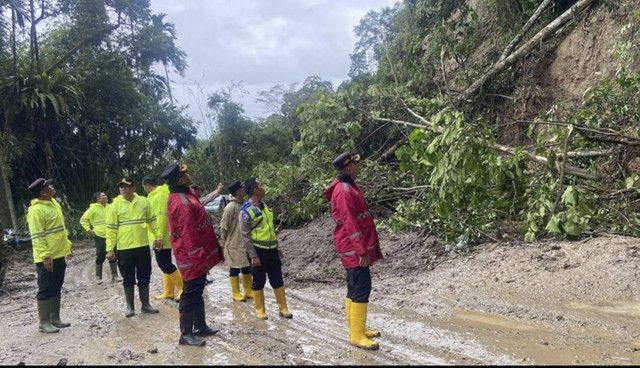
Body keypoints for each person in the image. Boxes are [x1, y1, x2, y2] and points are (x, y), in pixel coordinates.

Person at [323, 152, 384, 351]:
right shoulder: (343, 190)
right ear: (349, 168)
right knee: (361, 286)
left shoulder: (347, 186)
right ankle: (356, 335)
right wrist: (361, 251)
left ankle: (357, 328)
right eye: (356, 165)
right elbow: (350, 222)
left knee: (354, 285)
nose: (359, 168)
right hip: (352, 248)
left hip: (352, 246)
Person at [161, 163, 223, 346]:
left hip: (193, 256)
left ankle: (200, 326)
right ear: (180, 180)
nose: (189, 176)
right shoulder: (182, 203)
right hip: (190, 257)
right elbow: (189, 235)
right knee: (190, 293)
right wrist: (199, 260)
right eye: (186, 175)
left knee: (197, 290)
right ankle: (185, 334)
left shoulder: (186, 194)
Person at [106, 178, 162, 317]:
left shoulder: (144, 201)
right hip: (125, 248)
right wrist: (110, 248)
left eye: (127, 186)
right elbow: (111, 229)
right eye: (121, 187)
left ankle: (145, 304)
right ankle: (130, 306)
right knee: (128, 277)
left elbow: (153, 221)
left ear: (134, 188)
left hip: (142, 246)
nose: (124, 189)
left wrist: (158, 236)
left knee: (144, 275)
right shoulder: (114, 206)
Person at [239, 178, 292, 320]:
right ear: (255, 190)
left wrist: (277, 247)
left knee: (277, 279)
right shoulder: (246, 210)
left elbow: (271, 229)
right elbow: (245, 236)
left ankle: (283, 308)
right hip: (258, 250)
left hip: (272, 249)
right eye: (260, 186)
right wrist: (253, 256)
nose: (263, 188)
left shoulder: (266, 206)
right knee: (258, 280)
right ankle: (260, 310)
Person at [26, 178, 72, 333]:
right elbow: (37, 236)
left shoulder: (54, 204)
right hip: (46, 257)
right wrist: (46, 256)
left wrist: (68, 247)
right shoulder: (36, 211)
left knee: (57, 285)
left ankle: (55, 318)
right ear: (43, 192)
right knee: (45, 287)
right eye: (49, 186)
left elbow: (60, 229)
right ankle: (44, 322)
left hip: (59, 253)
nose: (52, 187)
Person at [142, 175, 183, 301]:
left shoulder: (159, 196)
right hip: (160, 236)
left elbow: (160, 218)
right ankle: (169, 291)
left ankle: (183, 287)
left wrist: (158, 237)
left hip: (161, 237)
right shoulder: (156, 196)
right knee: (165, 263)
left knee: (164, 264)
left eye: (143, 186)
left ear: (147, 185)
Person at [220, 180, 253, 302]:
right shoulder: (231, 207)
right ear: (238, 191)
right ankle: (235, 293)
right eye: (242, 188)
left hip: (245, 242)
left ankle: (248, 291)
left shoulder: (245, 205)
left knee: (246, 267)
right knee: (234, 267)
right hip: (234, 242)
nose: (244, 190)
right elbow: (224, 226)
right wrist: (225, 241)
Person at [80, 191, 121, 284]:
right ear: (98, 198)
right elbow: (83, 220)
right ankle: (98, 277)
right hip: (100, 235)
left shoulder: (110, 207)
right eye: (104, 195)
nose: (106, 196)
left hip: (112, 235)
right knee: (100, 256)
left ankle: (115, 276)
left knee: (113, 255)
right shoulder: (92, 209)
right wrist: (88, 229)